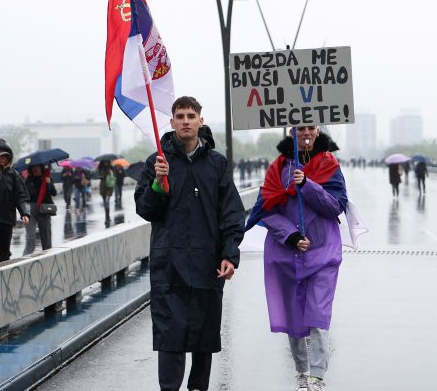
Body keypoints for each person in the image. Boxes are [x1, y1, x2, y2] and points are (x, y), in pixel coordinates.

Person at [134, 96, 244, 391]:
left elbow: (231, 213)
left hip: (207, 264)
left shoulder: (216, 164)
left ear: (200, 121)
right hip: (168, 265)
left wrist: (229, 254)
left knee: (203, 336)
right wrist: (158, 185)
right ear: (171, 122)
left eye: (191, 115)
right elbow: (146, 210)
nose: (185, 120)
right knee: (171, 336)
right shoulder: (157, 162)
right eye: (180, 116)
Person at [245, 125, 348, 391]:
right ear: (292, 131)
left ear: (317, 130)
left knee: (318, 314)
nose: (306, 133)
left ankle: (316, 376)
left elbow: (336, 206)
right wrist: (290, 236)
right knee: (293, 317)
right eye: (300, 127)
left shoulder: (329, 165)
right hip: (286, 253)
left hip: (323, 252)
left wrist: (308, 185)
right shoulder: (277, 168)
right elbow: (266, 209)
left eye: (310, 127)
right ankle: (301, 372)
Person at [23, 164, 56, 255]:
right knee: (30, 237)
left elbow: (54, 193)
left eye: (37, 167)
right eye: (33, 167)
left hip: (44, 209)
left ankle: (48, 256)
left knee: (46, 236)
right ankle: (25, 259)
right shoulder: (28, 180)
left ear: (41, 168)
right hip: (31, 209)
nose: (35, 169)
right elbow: (23, 195)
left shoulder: (47, 178)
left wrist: (49, 184)